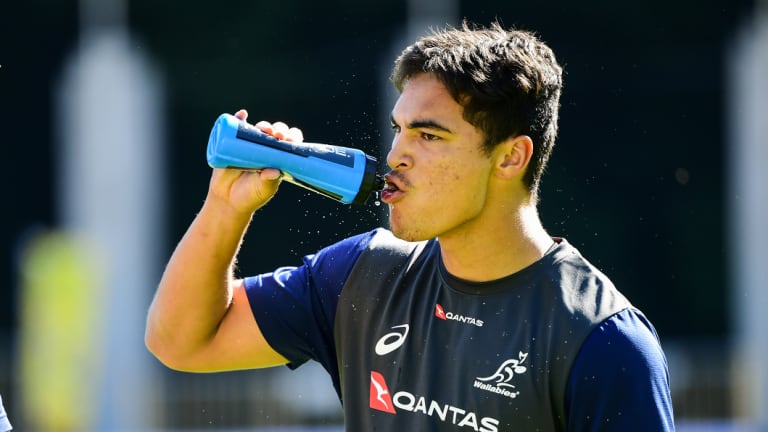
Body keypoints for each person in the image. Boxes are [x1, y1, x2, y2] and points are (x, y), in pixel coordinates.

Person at [145, 21, 675, 430]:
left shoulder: (604, 343)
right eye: (399, 129)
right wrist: (226, 205)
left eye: (429, 136)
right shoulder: (361, 275)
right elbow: (180, 342)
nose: (396, 153)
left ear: (510, 157)